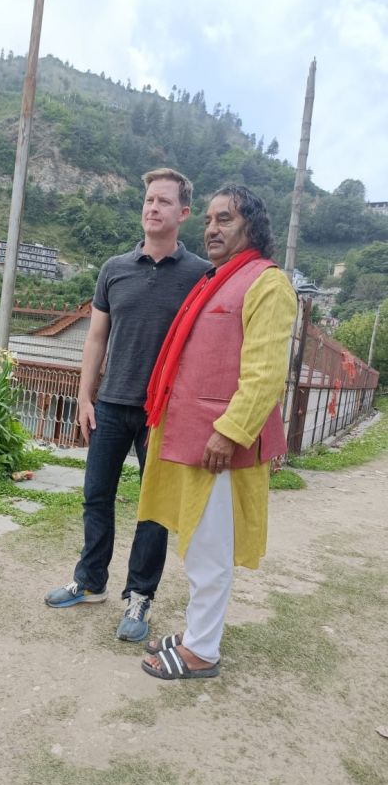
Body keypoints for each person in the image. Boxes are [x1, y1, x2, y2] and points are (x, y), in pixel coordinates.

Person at [44, 168, 210, 642]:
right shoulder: (114, 268)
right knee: (96, 497)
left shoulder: (200, 275)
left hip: (163, 413)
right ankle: (90, 581)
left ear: (183, 213)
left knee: (153, 509)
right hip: (111, 405)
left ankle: (140, 597)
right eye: (148, 200)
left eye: (163, 201)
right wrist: (83, 395)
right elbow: (96, 338)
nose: (152, 208)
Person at [139, 184, 297, 679]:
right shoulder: (219, 279)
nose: (211, 228)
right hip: (193, 436)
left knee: (209, 551)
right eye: (208, 219)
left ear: (252, 226)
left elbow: (266, 374)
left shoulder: (268, 284)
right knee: (199, 541)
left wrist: (229, 432)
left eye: (224, 219)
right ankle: (195, 632)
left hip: (219, 445)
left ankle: (201, 652)